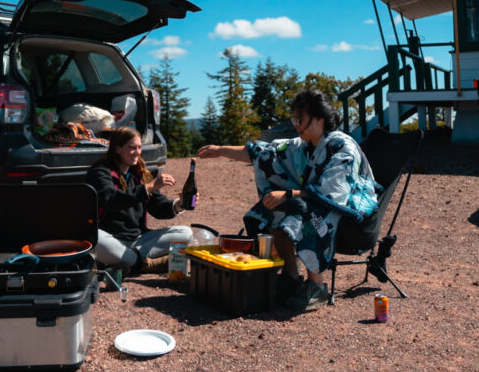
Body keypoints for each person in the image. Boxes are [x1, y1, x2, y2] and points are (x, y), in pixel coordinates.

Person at [197, 90, 379, 311]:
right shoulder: (303, 145)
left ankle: (317, 287)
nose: (296, 124)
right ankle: (291, 276)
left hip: (351, 216)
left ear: (319, 119)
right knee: (274, 208)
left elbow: (332, 193)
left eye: (299, 119)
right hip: (320, 203)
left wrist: (288, 194)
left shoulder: (342, 146)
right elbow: (263, 153)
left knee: (301, 208)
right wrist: (220, 150)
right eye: (294, 119)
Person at [87, 126, 192, 275]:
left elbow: (158, 207)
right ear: (117, 149)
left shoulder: (139, 173)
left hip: (138, 241)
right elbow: (111, 199)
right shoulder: (100, 172)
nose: (138, 152)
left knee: (184, 233)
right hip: (110, 239)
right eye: (132, 148)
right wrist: (148, 188)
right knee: (94, 238)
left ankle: (126, 262)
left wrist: (179, 204)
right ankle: (145, 265)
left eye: (139, 147)